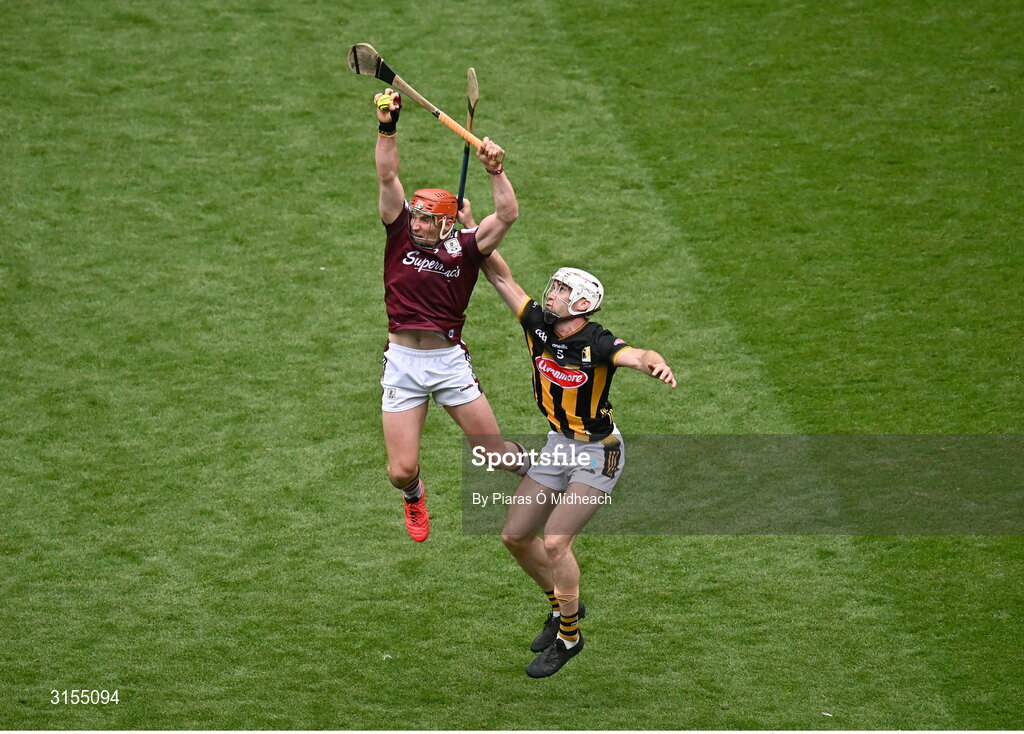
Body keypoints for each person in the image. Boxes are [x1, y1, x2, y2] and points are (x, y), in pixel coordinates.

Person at [479, 249, 676, 678]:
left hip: (599, 452)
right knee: (514, 536)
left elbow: (637, 353)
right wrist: (475, 233)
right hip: (558, 444)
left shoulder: (599, 342)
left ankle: (569, 635)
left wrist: (653, 364)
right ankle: (561, 604)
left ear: (583, 303)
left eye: (562, 290)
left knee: (554, 542)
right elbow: (499, 278)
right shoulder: (538, 325)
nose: (551, 295)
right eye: (554, 287)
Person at [372, 87, 528, 543]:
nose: (415, 222)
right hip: (402, 364)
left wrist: (494, 169)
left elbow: (508, 213)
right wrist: (387, 126)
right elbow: (387, 178)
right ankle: (414, 496)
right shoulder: (397, 232)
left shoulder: (468, 246)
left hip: (447, 363)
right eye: (414, 216)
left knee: (496, 456)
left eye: (425, 219)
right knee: (400, 471)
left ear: (446, 222)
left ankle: (540, 472)